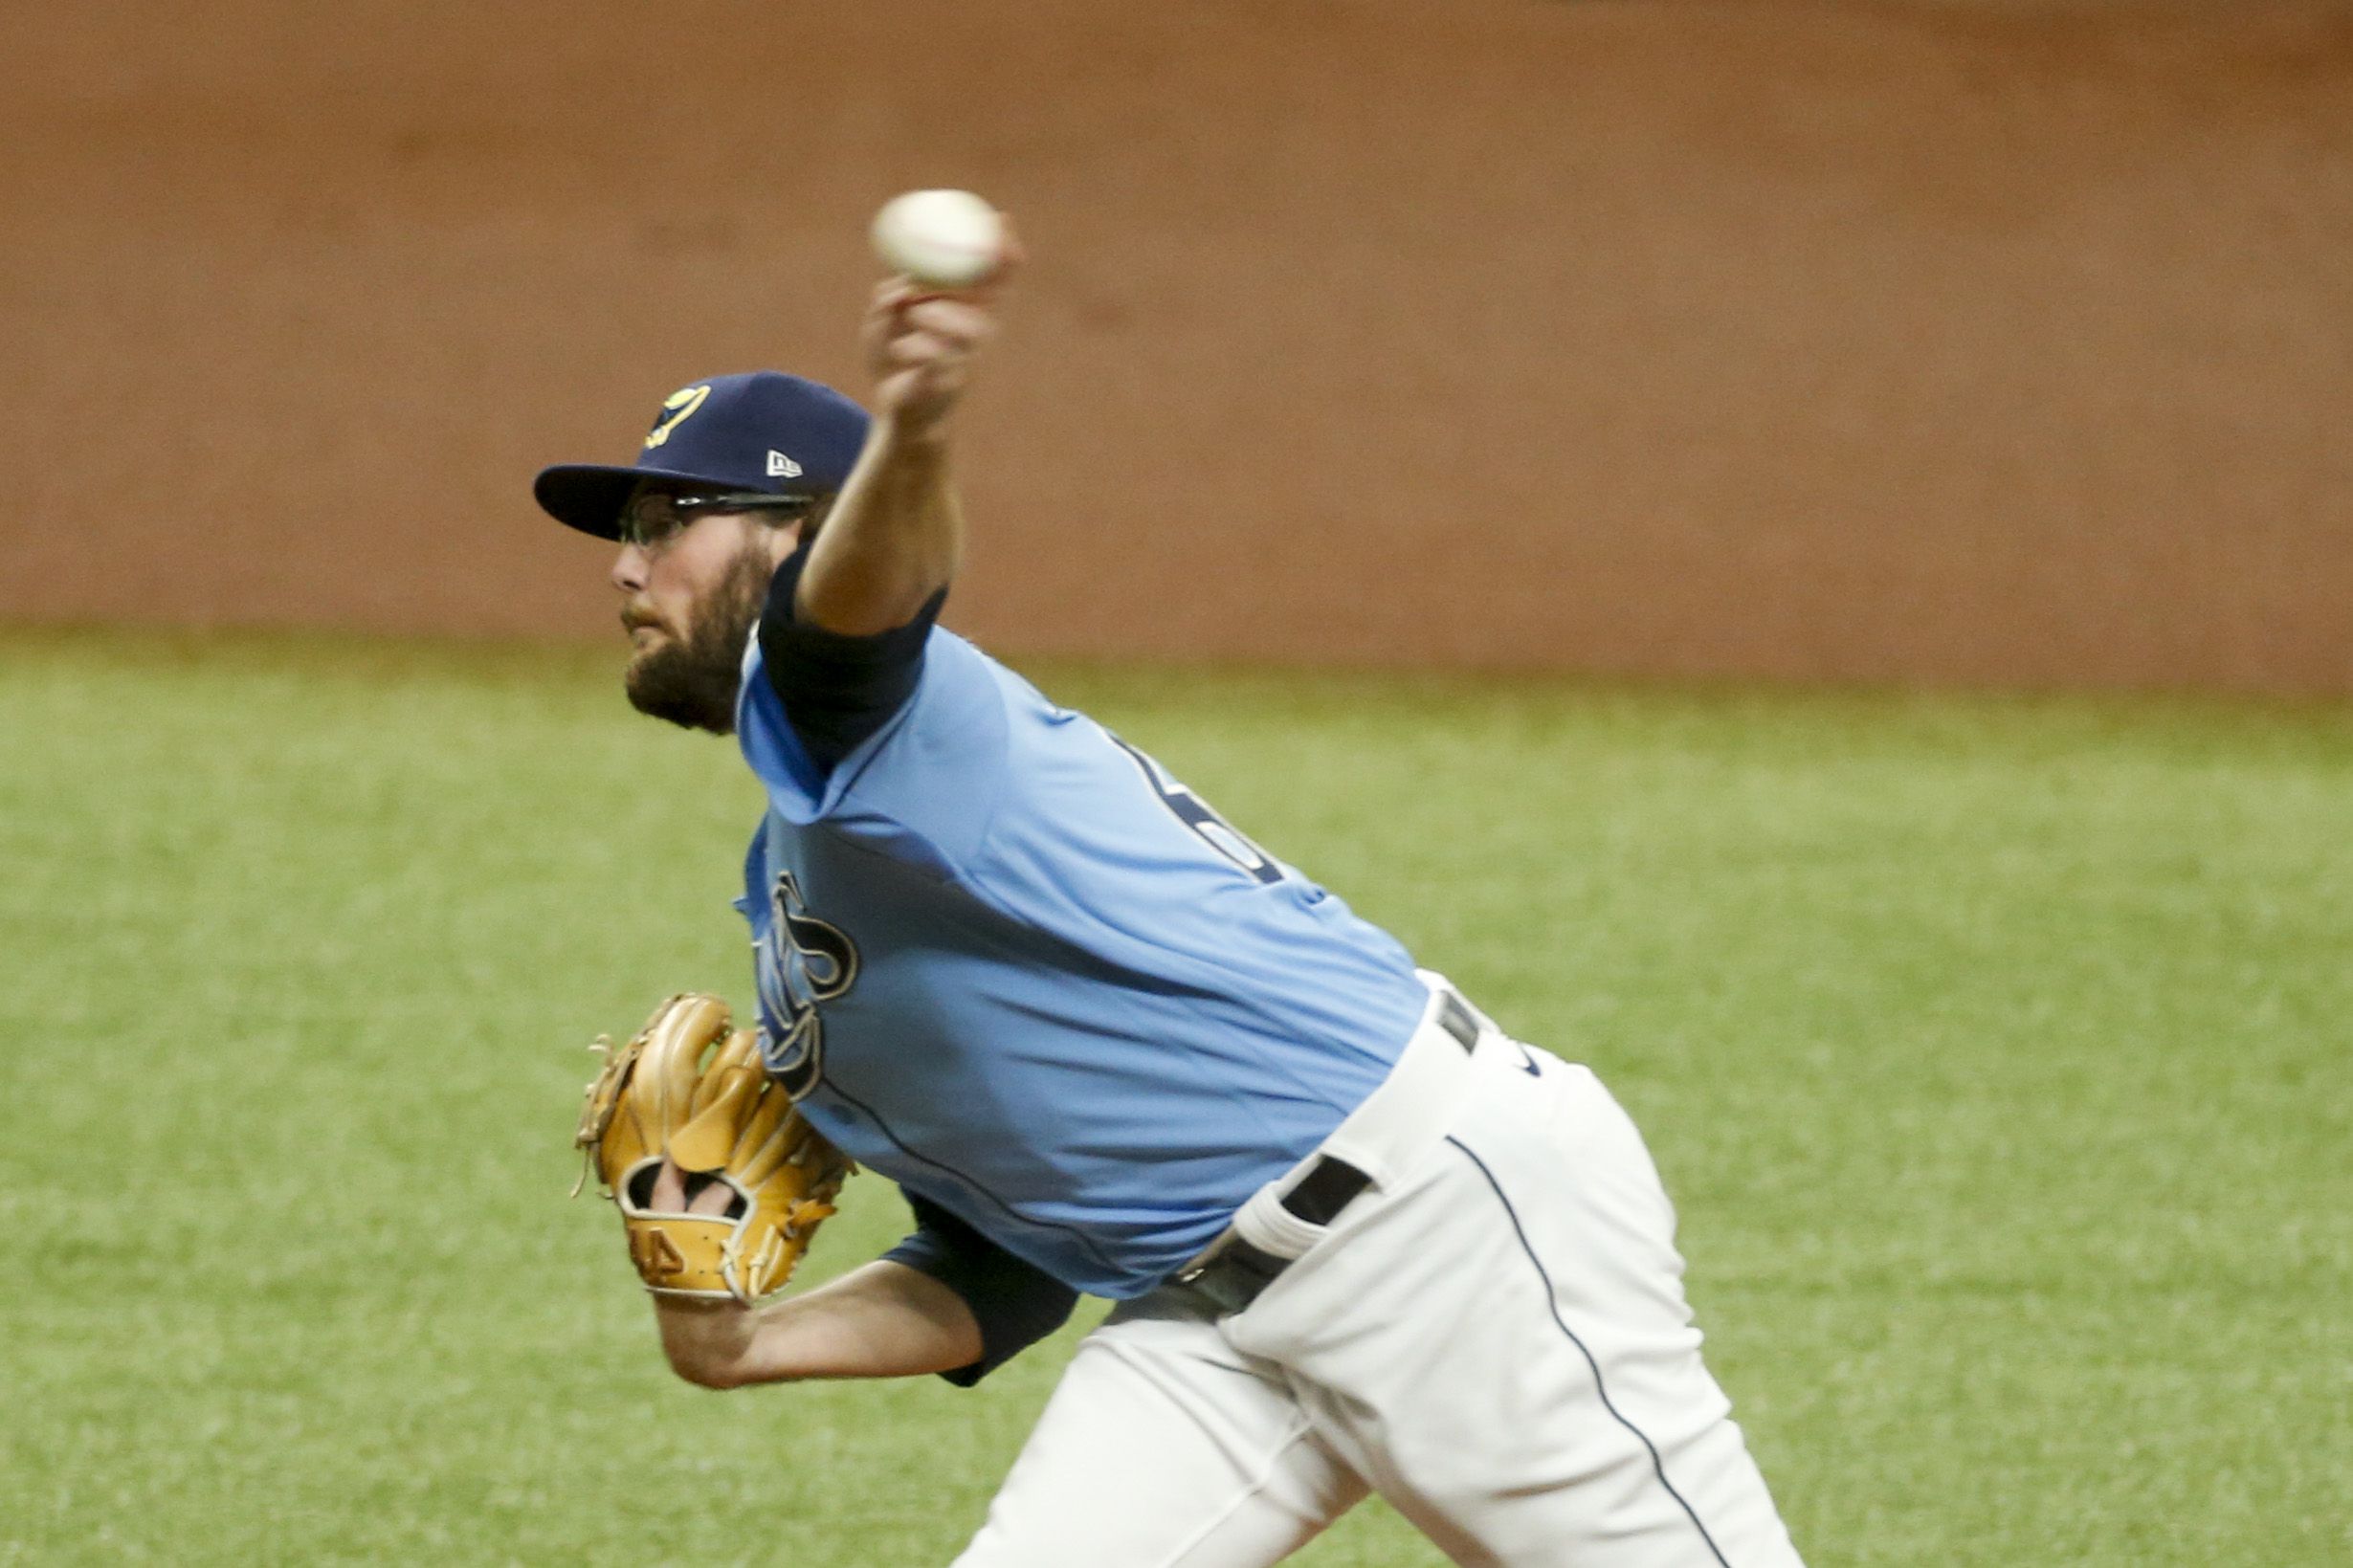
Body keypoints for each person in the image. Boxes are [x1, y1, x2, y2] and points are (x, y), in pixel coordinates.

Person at [532, 255, 1805, 1567]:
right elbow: (1005, 1267)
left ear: (803, 533)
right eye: (625, 530)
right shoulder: (804, 864)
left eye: (670, 516)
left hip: (1440, 1228)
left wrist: (914, 433)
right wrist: (734, 1346)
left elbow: (867, 601)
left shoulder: (868, 722)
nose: (627, 570)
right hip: (1210, 1322)